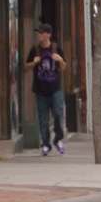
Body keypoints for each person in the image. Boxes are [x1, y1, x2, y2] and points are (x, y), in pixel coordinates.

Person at [26, 23, 67, 155]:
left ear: (48, 34)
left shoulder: (56, 48)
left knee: (58, 114)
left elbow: (63, 67)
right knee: (43, 118)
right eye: (38, 33)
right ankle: (45, 144)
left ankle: (58, 140)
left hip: (56, 89)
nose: (39, 35)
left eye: (41, 33)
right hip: (40, 90)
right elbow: (25, 67)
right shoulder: (35, 50)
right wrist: (34, 62)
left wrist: (60, 60)